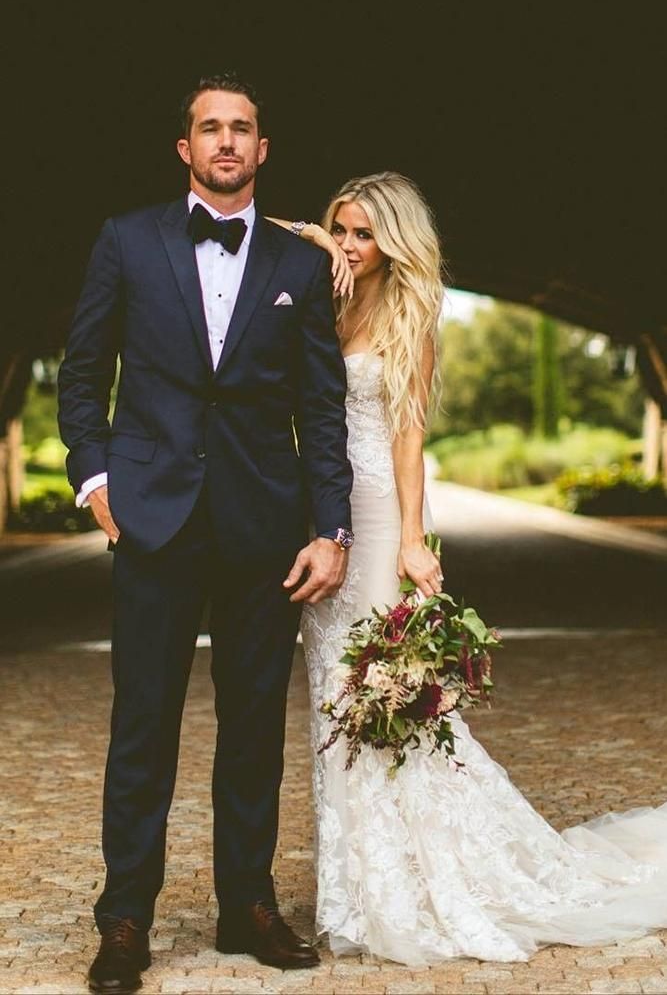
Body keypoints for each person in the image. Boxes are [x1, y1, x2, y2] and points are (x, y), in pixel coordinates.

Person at [301, 171, 667, 965]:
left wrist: (409, 541)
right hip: (319, 513)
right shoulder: (324, 298)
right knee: (332, 693)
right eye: (343, 229)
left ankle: (417, 880)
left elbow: (406, 439)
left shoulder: (409, 317)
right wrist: (314, 241)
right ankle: (360, 880)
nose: (352, 246)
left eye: (365, 233)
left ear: (394, 239)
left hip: (375, 512)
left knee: (378, 696)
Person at [58, 73, 355, 993]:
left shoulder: (300, 265)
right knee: (142, 723)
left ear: (262, 150)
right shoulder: (126, 240)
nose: (226, 142)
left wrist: (331, 526)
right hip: (152, 522)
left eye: (243, 129)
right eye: (209, 129)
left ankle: (247, 906)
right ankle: (124, 918)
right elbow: (81, 376)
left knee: (253, 725)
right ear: (184, 148)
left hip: (263, 528)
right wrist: (95, 478)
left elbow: (322, 407)